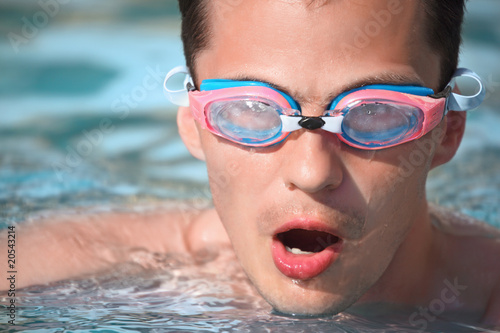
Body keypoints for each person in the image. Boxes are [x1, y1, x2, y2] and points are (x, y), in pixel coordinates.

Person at [1, 0, 499, 327]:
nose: (311, 172)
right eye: (252, 111)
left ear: (446, 132)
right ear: (195, 125)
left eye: (375, 113)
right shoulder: (100, 268)